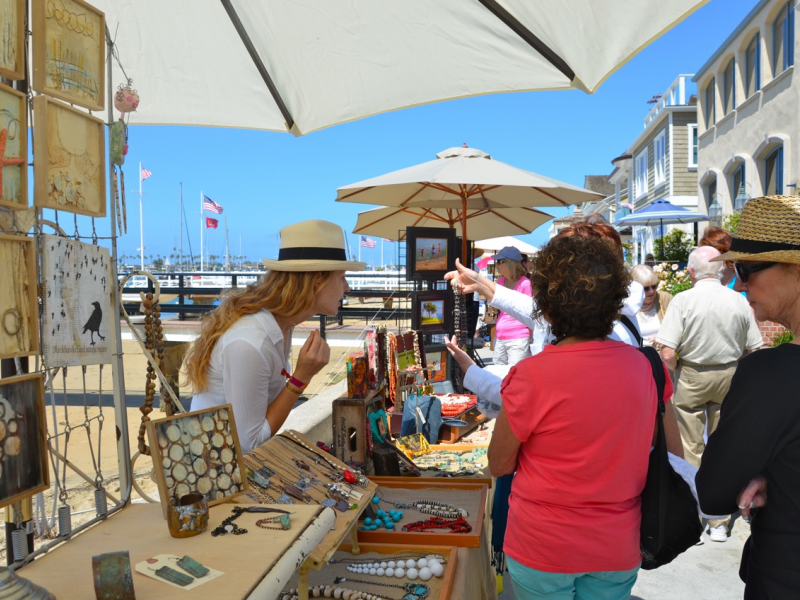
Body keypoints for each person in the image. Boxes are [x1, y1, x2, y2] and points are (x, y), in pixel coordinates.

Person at [488, 233, 682, 600]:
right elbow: (674, 457)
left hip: (541, 546)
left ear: (545, 307)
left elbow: (499, 464)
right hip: (617, 543)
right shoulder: (648, 369)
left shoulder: (530, 376)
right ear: (615, 300)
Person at [186, 220, 365, 454]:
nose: (347, 287)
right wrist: (301, 377)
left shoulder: (279, 326)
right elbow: (249, 444)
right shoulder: (250, 343)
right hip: (211, 475)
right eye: (341, 277)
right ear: (317, 279)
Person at [696, 195, 800, 598]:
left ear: (793, 267)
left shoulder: (772, 374)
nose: (739, 283)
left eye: (747, 268)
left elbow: (716, 491)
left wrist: (763, 474)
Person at [445, 217, 646, 410]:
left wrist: (471, 371)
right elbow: (529, 308)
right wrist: (481, 284)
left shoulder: (582, 342)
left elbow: (531, 397)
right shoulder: (615, 318)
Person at [656, 245, 763, 542]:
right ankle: (719, 521)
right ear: (720, 271)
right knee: (724, 445)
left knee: (691, 448)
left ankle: (695, 514)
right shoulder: (738, 300)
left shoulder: (683, 299)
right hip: (729, 372)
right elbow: (755, 347)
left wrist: (676, 370)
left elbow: (667, 352)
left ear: (690, 272)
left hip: (691, 374)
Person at [492, 246, 532, 366]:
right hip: (500, 337)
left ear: (509, 263)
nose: (497, 265)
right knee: (498, 377)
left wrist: (532, 340)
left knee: (514, 376)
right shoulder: (500, 282)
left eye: (499, 261)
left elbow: (529, 313)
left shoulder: (525, 283)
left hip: (518, 338)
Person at [630, 264, 673, 347]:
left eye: (654, 286)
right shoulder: (626, 305)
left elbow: (679, 327)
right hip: (636, 354)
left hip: (661, 354)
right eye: (646, 288)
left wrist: (664, 339)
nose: (651, 291)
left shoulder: (665, 299)